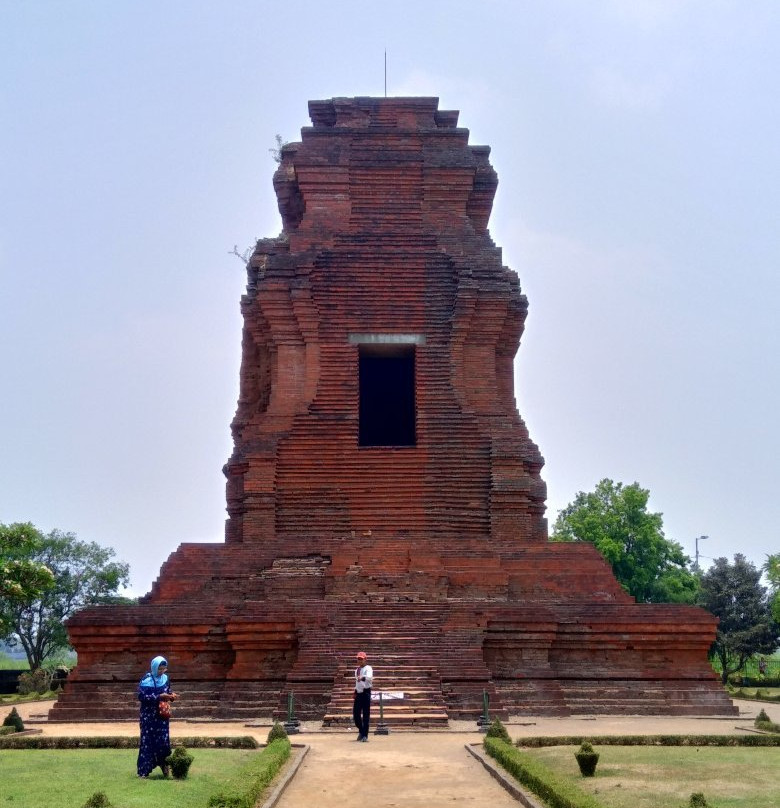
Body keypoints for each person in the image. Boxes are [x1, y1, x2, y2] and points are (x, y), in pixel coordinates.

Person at [137, 655, 179, 778]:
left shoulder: (165, 678)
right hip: (148, 716)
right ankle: (143, 771)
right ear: (154, 668)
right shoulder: (146, 680)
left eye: (164, 669)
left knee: (163, 742)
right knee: (147, 742)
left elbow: (168, 691)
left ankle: (164, 766)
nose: (162, 671)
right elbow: (141, 697)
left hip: (162, 716)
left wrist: (171, 696)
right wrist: (159, 696)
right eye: (160, 669)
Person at [352, 650, 373, 742]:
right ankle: (361, 730)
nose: (360, 661)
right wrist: (355, 691)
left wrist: (362, 677)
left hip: (366, 693)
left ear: (365, 659)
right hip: (359, 693)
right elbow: (357, 682)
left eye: (361, 659)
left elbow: (369, 678)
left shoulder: (368, 668)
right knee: (356, 715)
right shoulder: (357, 670)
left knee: (365, 715)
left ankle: (365, 735)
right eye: (358, 659)